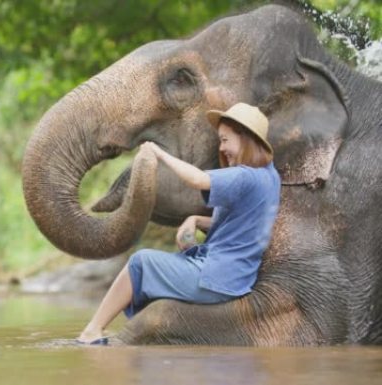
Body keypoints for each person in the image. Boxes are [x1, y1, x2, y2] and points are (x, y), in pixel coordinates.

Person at [77, 102, 281, 345]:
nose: (222, 147)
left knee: (140, 263)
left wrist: (159, 154)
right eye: (220, 140)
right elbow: (242, 223)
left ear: (246, 138)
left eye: (226, 140)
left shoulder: (245, 176)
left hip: (217, 277)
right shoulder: (270, 177)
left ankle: (92, 330)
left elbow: (197, 179)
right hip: (236, 277)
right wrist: (194, 219)